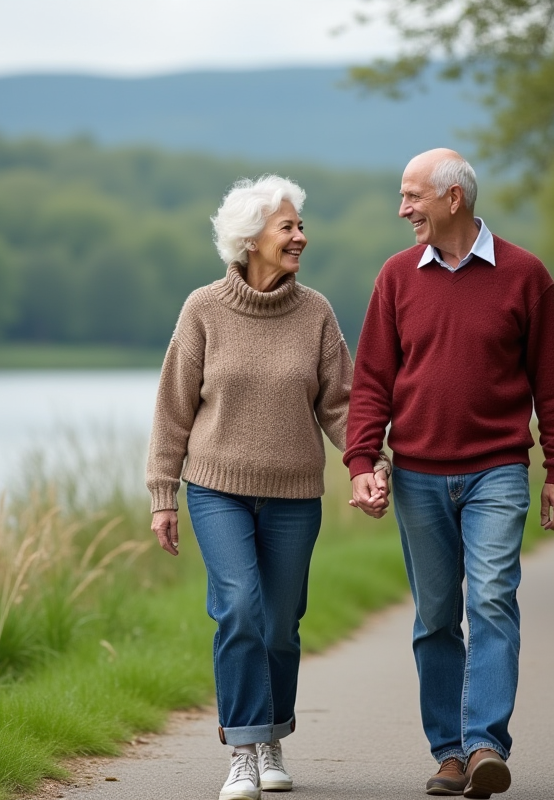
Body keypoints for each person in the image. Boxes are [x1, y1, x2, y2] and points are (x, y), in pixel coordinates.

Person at [344, 149, 554, 798]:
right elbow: (372, 382)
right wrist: (363, 459)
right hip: (417, 475)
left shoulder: (525, 276)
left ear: (454, 199)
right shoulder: (396, 277)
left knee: (493, 599)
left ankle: (484, 746)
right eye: (401, 196)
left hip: (498, 471)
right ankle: (448, 752)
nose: (403, 209)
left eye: (413, 196)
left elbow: (553, 385)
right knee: (437, 616)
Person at [146, 175, 389, 800]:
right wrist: (162, 495)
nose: (301, 238)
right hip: (215, 488)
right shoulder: (203, 309)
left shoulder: (316, 313)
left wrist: (367, 464)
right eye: (289, 228)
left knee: (281, 622)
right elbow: (173, 408)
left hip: (293, 494)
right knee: (238, 610)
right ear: (251, 238)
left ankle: (273, 733)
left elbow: (341, 404)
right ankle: (244, 750)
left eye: (300, 227)